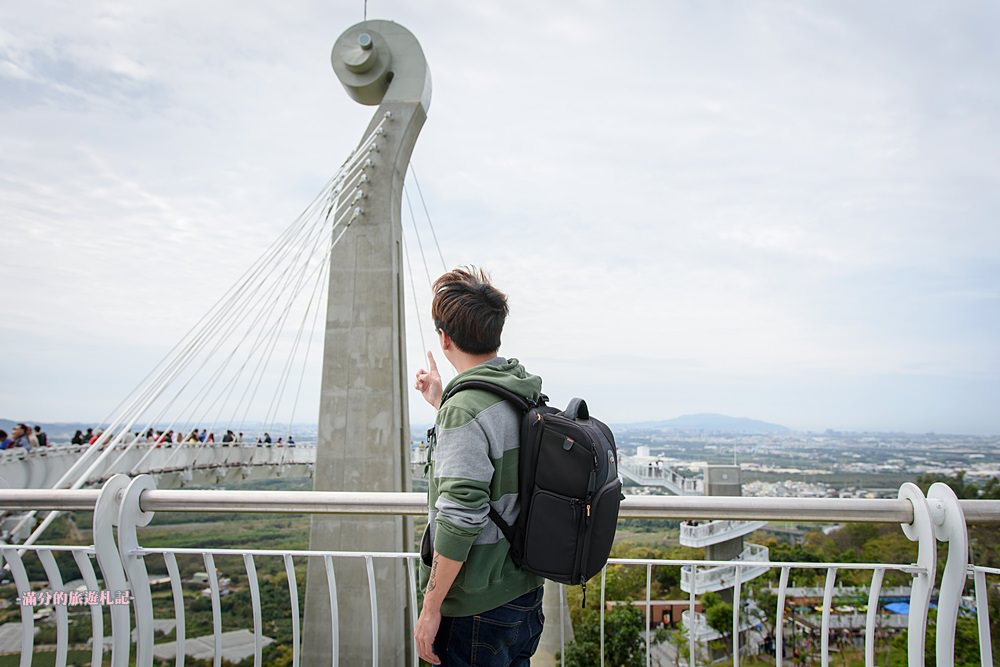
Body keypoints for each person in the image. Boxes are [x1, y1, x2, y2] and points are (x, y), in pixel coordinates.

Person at [413, 267, 545, 667]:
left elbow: (461, 516)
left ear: (445, 337)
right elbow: (494, 450)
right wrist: (442, 403)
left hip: (475, 610)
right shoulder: (518, 391)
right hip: (523, 596)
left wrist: (432, 606)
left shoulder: (466, 410)